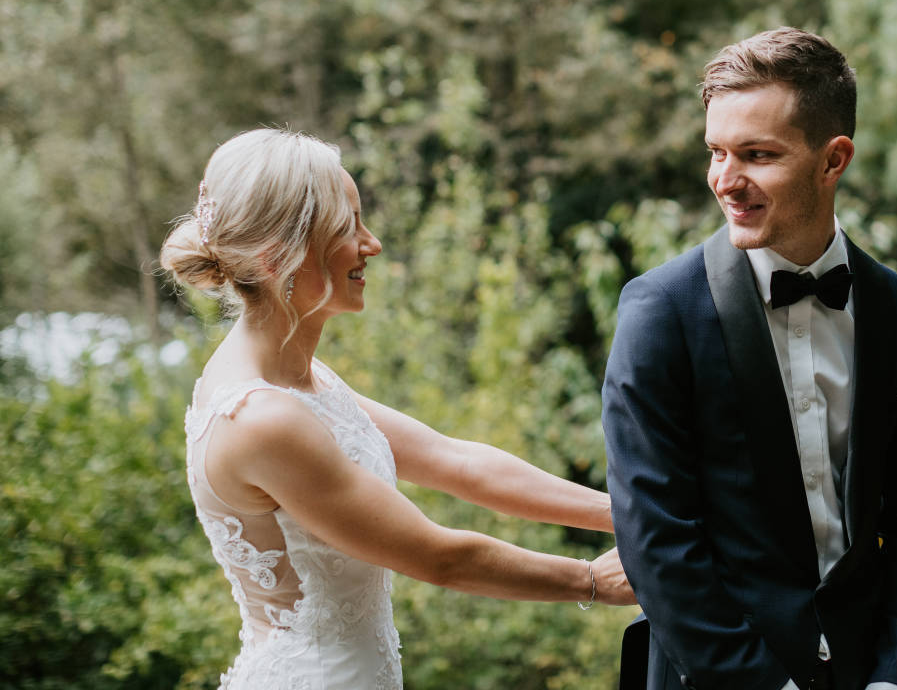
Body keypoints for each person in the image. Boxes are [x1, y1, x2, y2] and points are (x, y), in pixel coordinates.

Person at [160, 128, 634, 690]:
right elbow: (438, 557)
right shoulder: (263, 418)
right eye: (346, 228)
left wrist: (634, 514)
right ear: (274, 257)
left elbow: (456, 462)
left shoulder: (298, 379)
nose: (372, 243)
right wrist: (590, 580)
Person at [602, 28, 897, 690]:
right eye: (715, 152)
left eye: (757, 155)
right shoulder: (658, 313)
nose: (725, 180)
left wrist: (896, 676)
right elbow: (658, 545)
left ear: (834, 160)